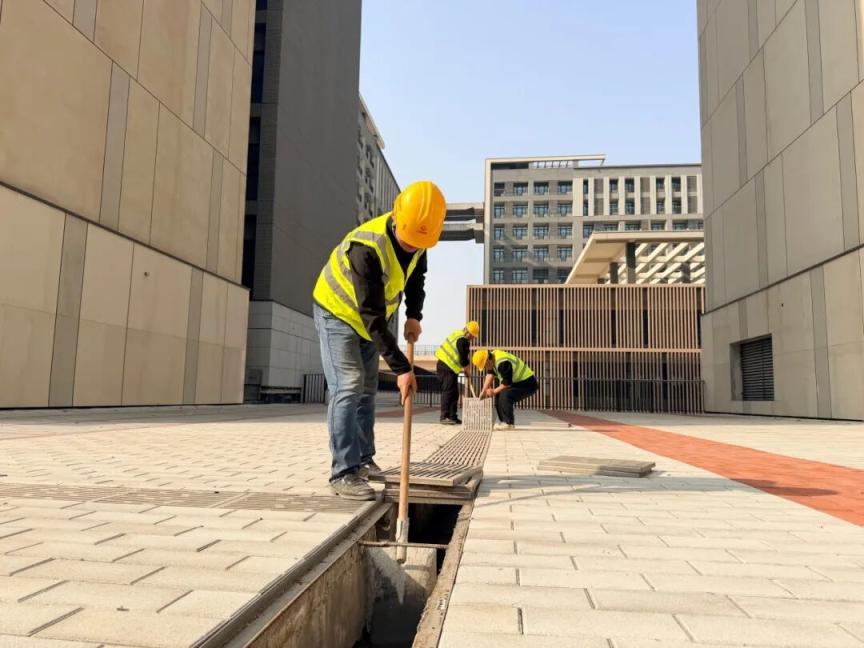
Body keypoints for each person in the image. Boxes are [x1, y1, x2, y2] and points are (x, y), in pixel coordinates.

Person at [312, 181, 447, 500]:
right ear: (396, 217)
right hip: (337, 312)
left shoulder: (419, 234)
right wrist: (402, 368)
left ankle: (363, 460)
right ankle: (343, 472)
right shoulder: (366, 247)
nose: (413, 247)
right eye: (409, 241)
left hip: (368, 320)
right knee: (348, 385)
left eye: (419, 243)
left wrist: (414, 315)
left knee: (366, 390)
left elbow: (416, 277)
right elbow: (371, 315)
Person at [472, 349, 538, 430]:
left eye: (484, 365)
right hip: (518, 382)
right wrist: (483, 391)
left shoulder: (503, 362)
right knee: (499, 394)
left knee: (506, 395)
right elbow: (490, 374)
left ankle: (509, 424)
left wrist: (493, 391)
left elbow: (507, 383)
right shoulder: (493, 358)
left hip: (528, 384)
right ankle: (504, 422)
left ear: (488, 360)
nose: (485, 368)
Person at [434, 321, 480, 425]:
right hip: (446, 366)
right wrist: (467, 371)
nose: (472, 338)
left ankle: (452, 416)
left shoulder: (457, 334)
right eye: (472, 336)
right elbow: (463, 359)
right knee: (448, 391)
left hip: (449, 367)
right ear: (468, 332)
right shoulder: (462, 340)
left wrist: (465, 370)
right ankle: (444, 416)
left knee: (454, 393)